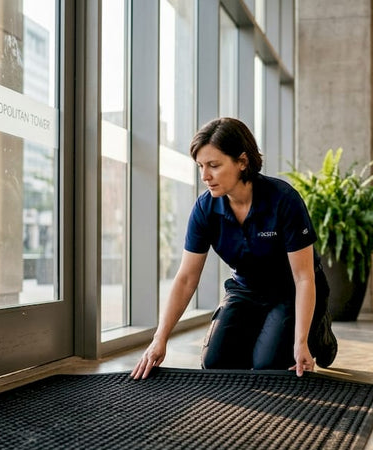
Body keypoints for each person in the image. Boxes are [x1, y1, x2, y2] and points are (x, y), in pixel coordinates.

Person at [131, 117, 329, 380]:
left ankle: (319, 331)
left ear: (242, 162)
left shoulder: (284, 200)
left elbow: (304, 277)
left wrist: (300, 341)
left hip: (289, 291)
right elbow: (187, 278)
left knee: (268, 367)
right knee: (216, 364)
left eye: (214, 165)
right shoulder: (205, 208)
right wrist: (160, 338)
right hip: (245, 289)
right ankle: (265, 332)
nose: (205, 176)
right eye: (201, 166)